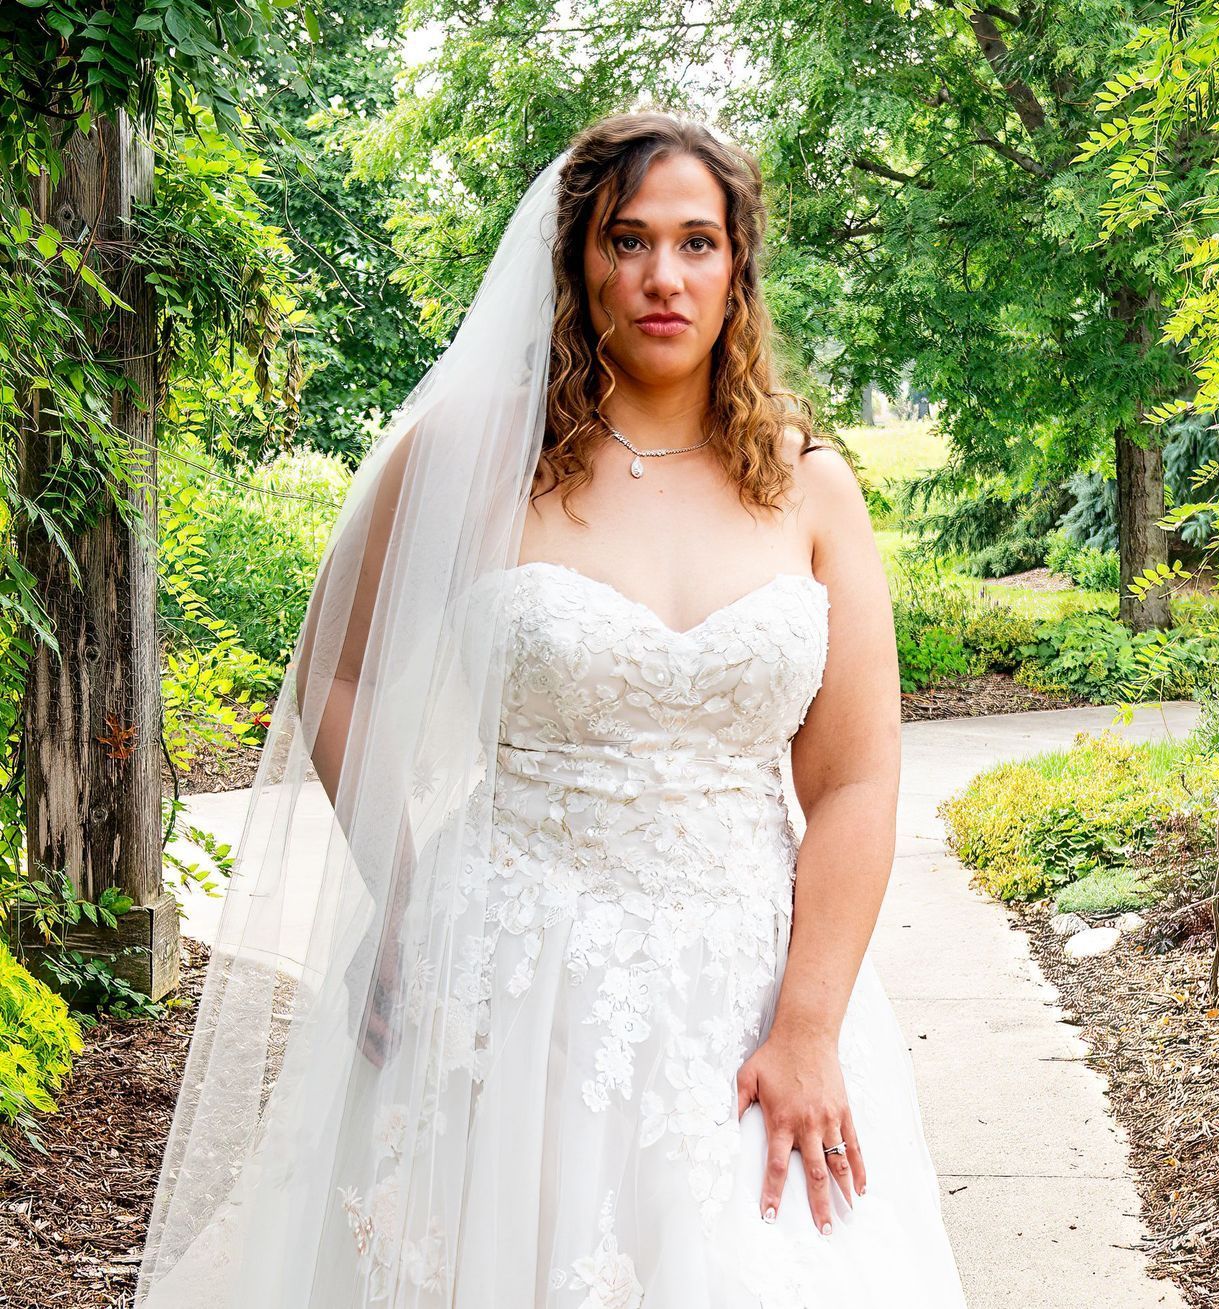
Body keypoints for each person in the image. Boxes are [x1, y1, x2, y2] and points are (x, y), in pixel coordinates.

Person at [133, 111, 967, 1307]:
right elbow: (334, 674)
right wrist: (404, 896)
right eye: (629, 240)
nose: (663, 275)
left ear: (736, 268)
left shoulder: (808, 485)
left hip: (748, 987)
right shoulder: (475, 457)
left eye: (696, 242)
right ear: (579, 260)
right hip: (504, 973)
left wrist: (807, 1026)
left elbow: (853, 781)